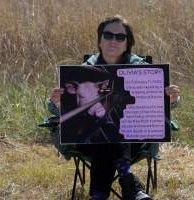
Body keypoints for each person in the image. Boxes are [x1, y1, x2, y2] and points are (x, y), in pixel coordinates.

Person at [48, 15, 180, 200]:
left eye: (120, 37)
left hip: (133, 141)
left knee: (113, 130)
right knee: (105, 131)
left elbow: (160, 110)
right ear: (100, 40)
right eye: (108, 35)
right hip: (88, 140)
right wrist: (55, 102)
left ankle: (99, 194)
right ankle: (129, 183)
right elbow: (62, 114)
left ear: (128, 43)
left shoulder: (144, 71)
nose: (113, 40)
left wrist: (171, 98)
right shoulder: (82, 72)